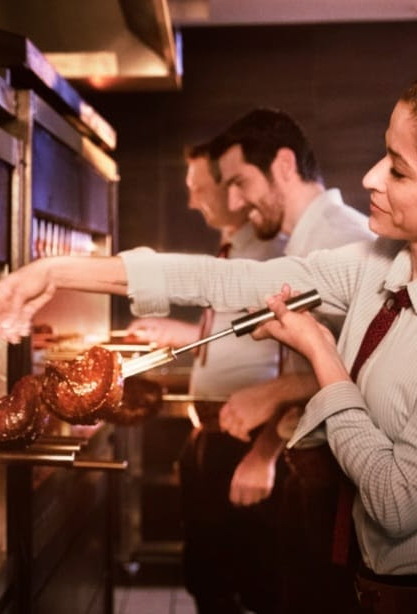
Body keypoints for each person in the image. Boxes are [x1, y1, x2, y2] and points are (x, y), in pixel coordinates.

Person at [0, 65, 417, 612]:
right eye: (383, 155)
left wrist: (321, 352)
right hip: (375, 590)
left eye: (398, 169)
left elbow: (396, 500)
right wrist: (59, 272)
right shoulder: (378, 263)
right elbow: (231, 278)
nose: (369, 178)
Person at [128, 136, 288, 614]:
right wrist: (178, 332)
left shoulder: (273, 252)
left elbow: (295, 364)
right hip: (214, 440)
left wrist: (266, 453)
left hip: (249, 441)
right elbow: (239, 335)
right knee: (208, 581)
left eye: (201, 188)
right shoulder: (233, 248)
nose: (193, 200)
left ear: (232, 188)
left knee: (253, 587)